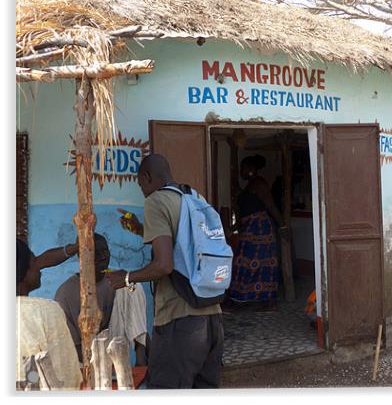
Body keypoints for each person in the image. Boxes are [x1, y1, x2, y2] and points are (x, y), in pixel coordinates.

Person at [106, 153, 224, 389]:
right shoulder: (194, 197)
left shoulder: (156, 201)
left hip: (179, 322)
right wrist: (142, 230)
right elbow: (184, 248)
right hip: (212, 318)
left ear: (147, 177)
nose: (143, 191)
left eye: (141, 185)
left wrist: (127, 278)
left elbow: (164, 265)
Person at [54, 233, 148, 366]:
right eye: (96, 253)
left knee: (131, 285)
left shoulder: (116, 281)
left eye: (105, 252)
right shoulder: (65, 293)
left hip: (115, 346)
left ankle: (141, 362)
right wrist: (99, 365)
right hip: (84, 357)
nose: (104, 257)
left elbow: (136, 326)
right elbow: (71, 347)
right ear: (81, 257)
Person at [16, 239, 82, 390]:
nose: (39, 269)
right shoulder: (47, 310)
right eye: (34, 264)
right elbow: (66, 373)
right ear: (22, 272)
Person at [227, 154, 286, 311]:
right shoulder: (249, 185)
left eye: (243, 168)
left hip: (260, 230)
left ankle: (267, 301)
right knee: (246, 263)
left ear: (252, 169)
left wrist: (284, 227)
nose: (241, 171)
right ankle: (244, 298)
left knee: (260, 265)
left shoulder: (259, 184)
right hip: (249, 230)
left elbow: (271, 206)